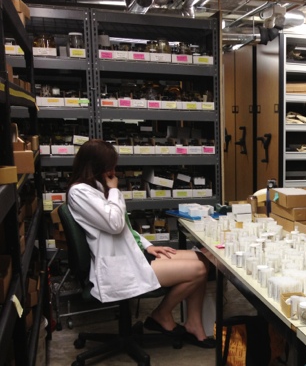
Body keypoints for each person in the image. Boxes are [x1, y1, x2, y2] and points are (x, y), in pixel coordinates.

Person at [66, 139, 215, 348]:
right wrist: (115, 191)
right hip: (117, 266)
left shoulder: (98, 187)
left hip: (131, 253)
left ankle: (193, 324)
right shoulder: (80, 192)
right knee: (198, 269)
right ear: (96, 166)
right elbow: (115, 223)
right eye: (110, 165)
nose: (114, 170)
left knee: (203, 258)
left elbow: (124, 226)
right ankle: (161, 314)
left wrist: (147, 245)